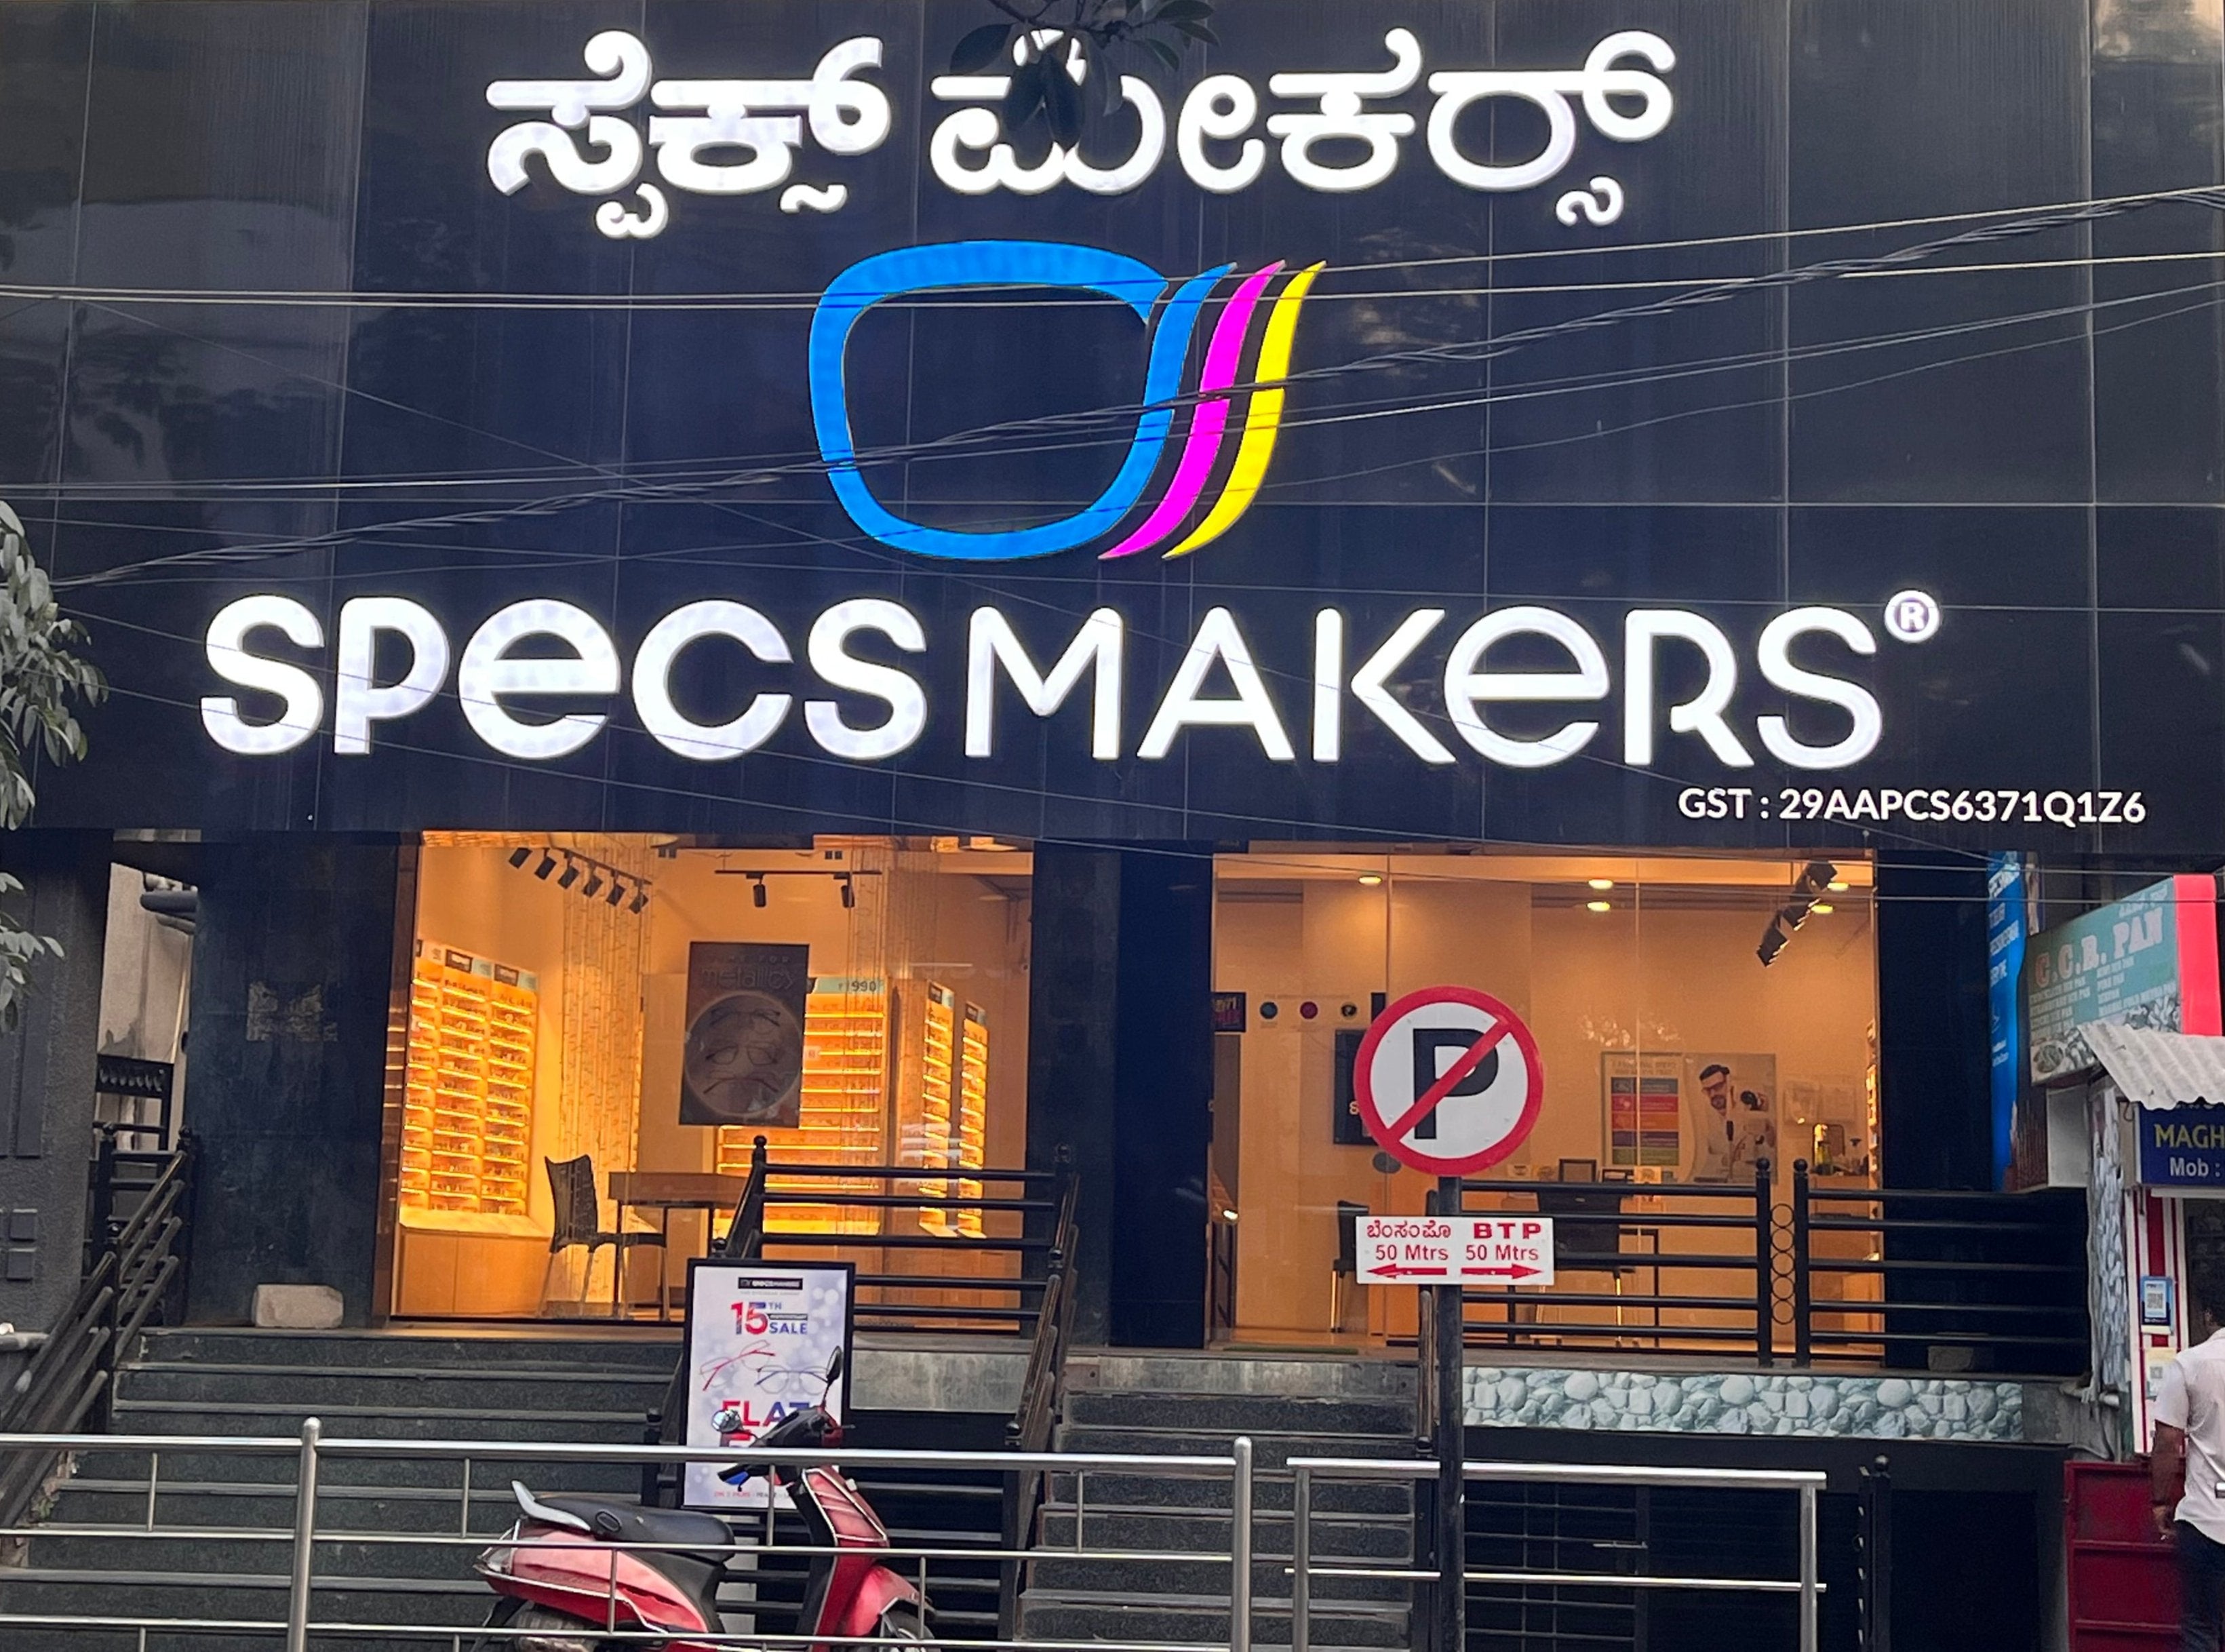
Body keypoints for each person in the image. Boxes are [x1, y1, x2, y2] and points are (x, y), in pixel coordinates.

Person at [2152, 1297, 2225, 1651]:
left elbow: (2167, 1440)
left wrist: (2159, 1502)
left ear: (2209, 1315)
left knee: (2200, 1628)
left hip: (2205, 1521)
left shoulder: (2190, 1363)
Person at [1690, 1063, 1736, 1183]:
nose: (1713, 1094)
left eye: (1717, 1087)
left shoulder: (1746, 1112)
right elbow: (1700, 1163)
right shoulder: (1704, 1120)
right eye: (1708, 1090)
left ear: (1729, 1084)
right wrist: (1723, 1160)